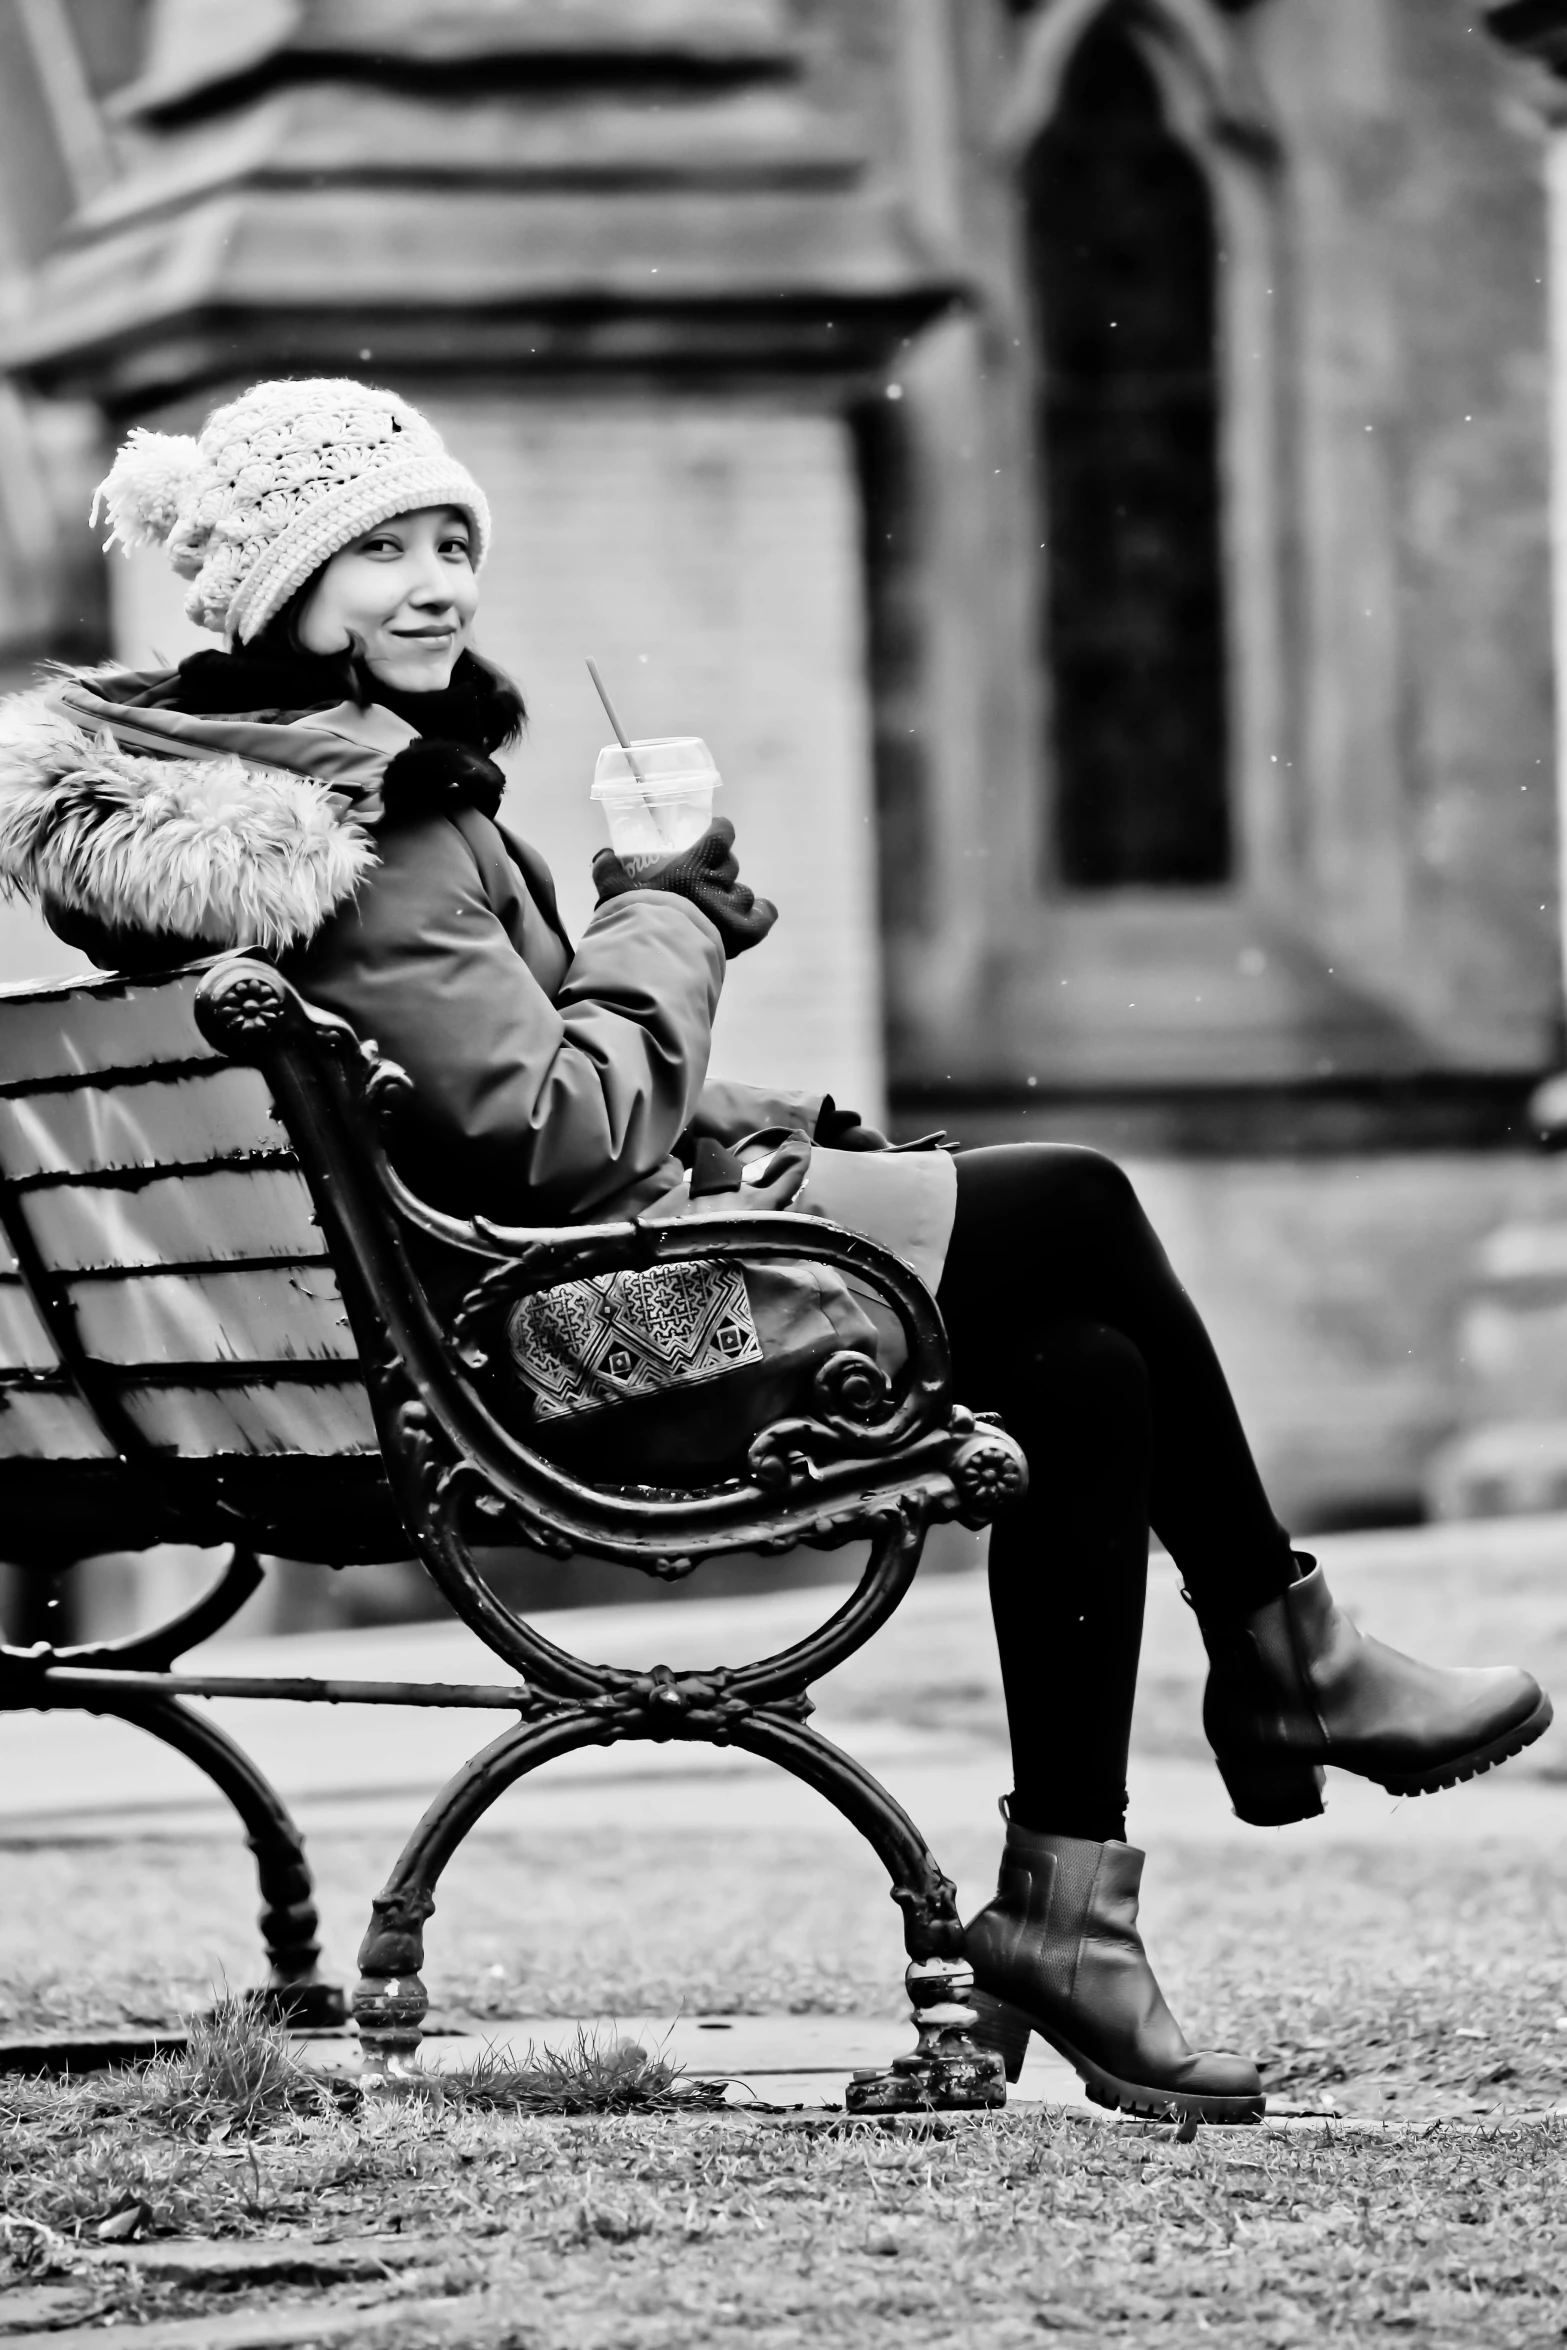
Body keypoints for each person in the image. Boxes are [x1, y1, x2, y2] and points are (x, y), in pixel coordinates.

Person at [0, 379, 1551, 2125]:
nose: (433, 583)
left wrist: (760, 1105)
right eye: (376, 552)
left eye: (449, 542)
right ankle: (1282, 1656)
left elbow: (486, 1113)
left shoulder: (248, 811)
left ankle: (1072, 1906)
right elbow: (559, 1142)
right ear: (275, 589)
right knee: (1080, 1201)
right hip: (569, 1345)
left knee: (1078, 1368)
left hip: (438, 1339)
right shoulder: (376, 822)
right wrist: (662, 903)